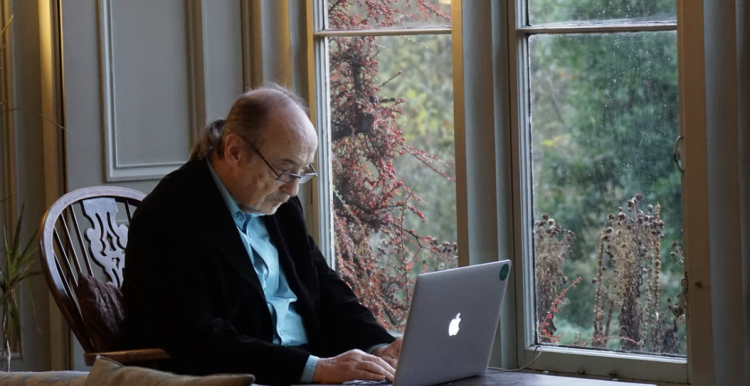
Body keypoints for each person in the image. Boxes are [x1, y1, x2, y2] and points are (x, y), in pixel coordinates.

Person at [120, 85, 402, 385]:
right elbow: (196, 337)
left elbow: (324, 287)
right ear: (234, 151)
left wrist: (379, 346)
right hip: (248, 378)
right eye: (284, 171)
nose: (293, 189)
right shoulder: (167, 217)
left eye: (301, 172)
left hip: (312, 367)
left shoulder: (280, 204)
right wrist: (315, 368)